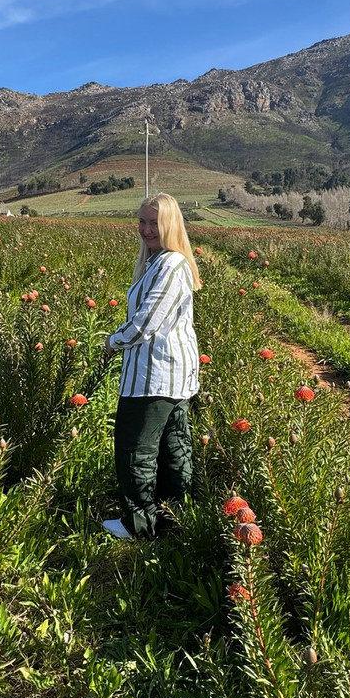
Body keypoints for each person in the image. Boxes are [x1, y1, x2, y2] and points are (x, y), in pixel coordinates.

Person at [101, 193, 202, 539]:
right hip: (170, 376)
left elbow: (146, 323)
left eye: (153, 223)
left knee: (135, 449)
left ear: (170, 225)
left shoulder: (171, 265)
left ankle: (139, 525)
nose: (146, 230)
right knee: (174, 447)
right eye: (141, 222)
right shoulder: (160, 262)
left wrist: (113, 341)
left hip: (153, 377)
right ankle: (175, 517)